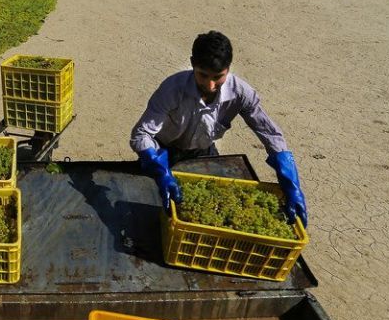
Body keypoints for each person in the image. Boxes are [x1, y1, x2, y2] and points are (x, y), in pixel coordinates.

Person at [129, 31, 308, 226]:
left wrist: (290, 180)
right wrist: (160, 169)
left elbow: (270, 134)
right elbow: (142, 133)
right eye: (203, 75)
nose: (210, 84)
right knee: (149, 211)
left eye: (218, 77)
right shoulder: (172, 89)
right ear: (192, 63)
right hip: (162, 153)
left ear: (228, 69)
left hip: (203, 153)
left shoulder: (241, 93)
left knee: (212, 212)